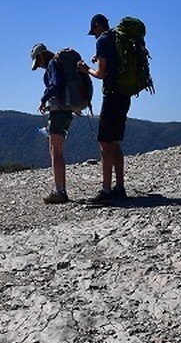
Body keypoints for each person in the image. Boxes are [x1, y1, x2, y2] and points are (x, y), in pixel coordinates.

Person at [79, 14, 129, 202]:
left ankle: (106, 190)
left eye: (94, 31)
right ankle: (120, 187)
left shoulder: (102, 40)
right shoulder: (117, 38)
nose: (94, 36)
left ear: (97, 25)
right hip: (125, 94)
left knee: (104, 143)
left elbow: (101, 73)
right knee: (115, 142)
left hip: (112, 95)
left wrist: (86, 69)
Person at [30, 42, 72, 204]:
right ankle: (60, 189)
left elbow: (55, 85)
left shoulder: (53, 64)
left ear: (41, 56)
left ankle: (60, 191)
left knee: (55, 151)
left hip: (58, 112)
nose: (39, 66)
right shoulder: (59, 63)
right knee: (57, 149)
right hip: (67, 111)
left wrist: (43, 99)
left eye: (38, 62)